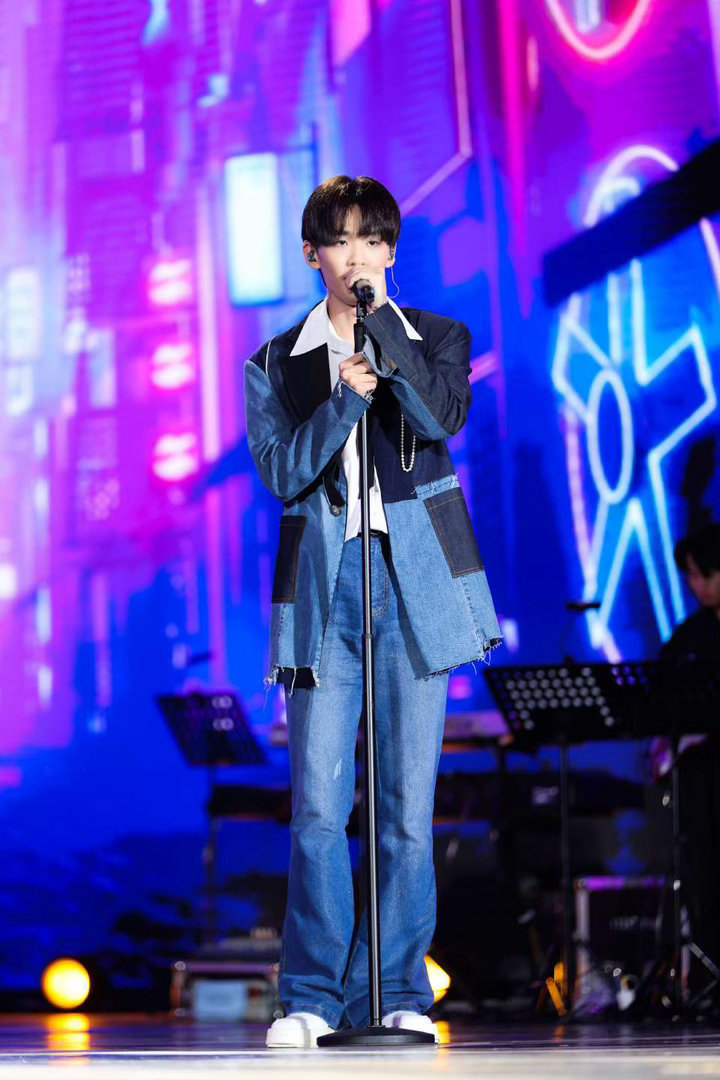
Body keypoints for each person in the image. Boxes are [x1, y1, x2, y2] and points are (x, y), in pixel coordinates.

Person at [244, 176, 501, 1047]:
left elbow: (441, 417)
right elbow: (283, 472)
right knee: (319, 809)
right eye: (340, 240)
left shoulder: (435, 336)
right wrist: (344, 401)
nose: (357, 255)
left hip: (416, 584)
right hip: (325, 592)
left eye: (372, 240)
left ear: (390, 252)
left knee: (405, 811)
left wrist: (385, 334)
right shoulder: (276, 362)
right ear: (312, 254)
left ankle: (395, 992)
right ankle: (312, 998)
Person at [657, 524, 720, 991]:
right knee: (704, 871)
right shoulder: (690, 637)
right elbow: (660, 697)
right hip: (702, 778)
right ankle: (708, 974)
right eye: (691, 577)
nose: (696, 586)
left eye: (703, 574)